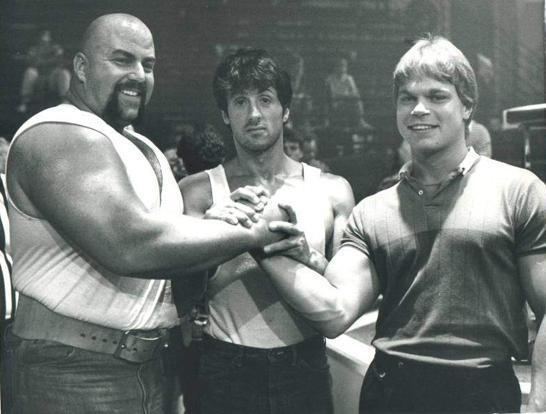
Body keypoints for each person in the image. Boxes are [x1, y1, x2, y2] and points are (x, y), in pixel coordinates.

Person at [4, 14, 287, 414]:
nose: (138, 74)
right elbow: (130, 244)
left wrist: (215, 224)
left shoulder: (143, 146)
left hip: (150, 365)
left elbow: (165, 254)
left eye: (148, 65)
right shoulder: (57, 133)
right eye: (122, 60)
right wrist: (254, 232)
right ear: (81, 68)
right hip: (72, 369)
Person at [255, 36, 546, 413]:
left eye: (437, 96)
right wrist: (260, 243)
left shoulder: (519, 191)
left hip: (483, 392)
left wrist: (539, 402)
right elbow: (336, 311)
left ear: (467, 105)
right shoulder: (373, 210)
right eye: (407, 98)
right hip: (392, 393)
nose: (419, 109)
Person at [178, 47, 355, 414]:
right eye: (240, 102)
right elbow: (182, 296)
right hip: (224, 366)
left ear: (285, 110)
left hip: (303, 365)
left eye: (265, 99)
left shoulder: (332, 190)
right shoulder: (198, 192)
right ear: (225, 115)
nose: (254, 113)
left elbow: (345, 302)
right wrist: (212, 233)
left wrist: (308, 257)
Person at [16, 29, 71, 114]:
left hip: (52, 77)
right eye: (43, 35)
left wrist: (46, 61)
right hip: (38, 76)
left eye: (47, 36)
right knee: (30, 72)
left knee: (64, 73)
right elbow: (32, 62)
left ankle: (66, 102)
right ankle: (24, 103)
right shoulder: (34, 49)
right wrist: (49, 60)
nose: (44, 38)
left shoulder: (56, 48)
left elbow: (60, 61)